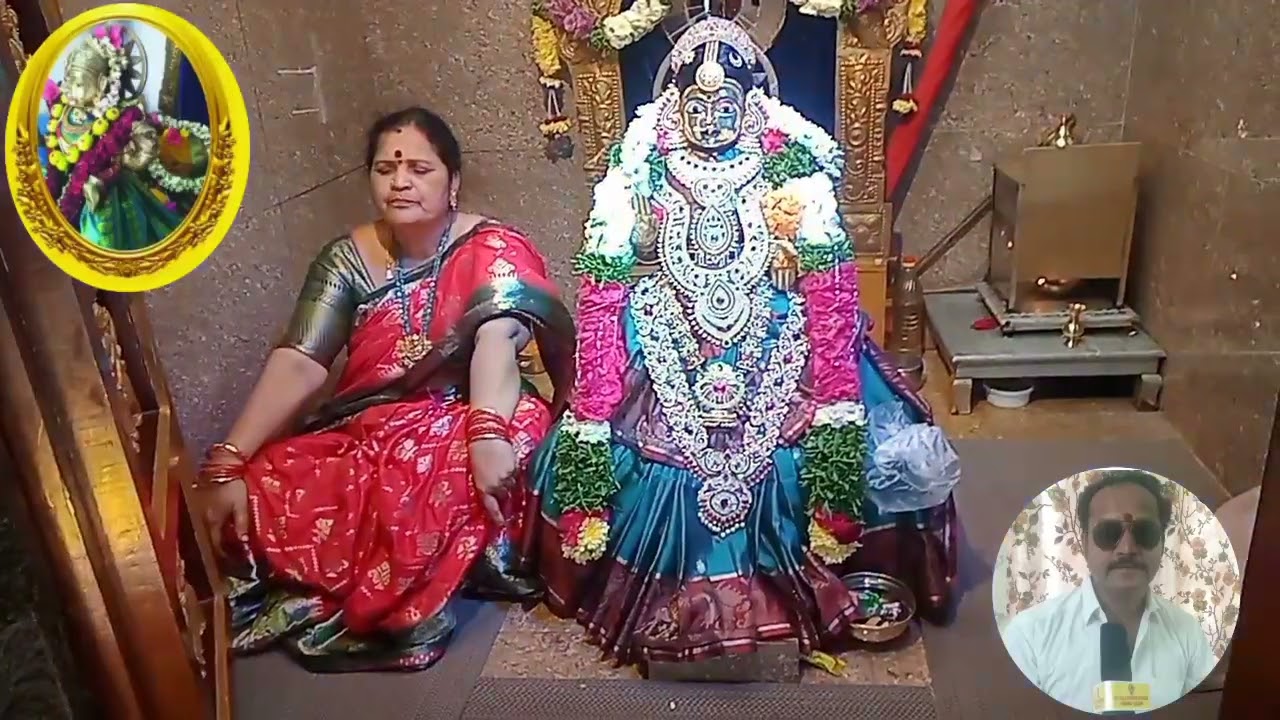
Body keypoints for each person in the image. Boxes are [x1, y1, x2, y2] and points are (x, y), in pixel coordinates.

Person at [524, 17, 960, 668]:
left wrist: (791, 250)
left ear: (750, 106)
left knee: (828, 417)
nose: (711, 118)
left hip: (770, 320)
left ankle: (825, 542)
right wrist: (642, 233)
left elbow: (821, 254)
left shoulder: (784, 160)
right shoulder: (648, 162)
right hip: (668, 319)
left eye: (725, 103)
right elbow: (617, 258)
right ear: (675, 106)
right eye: (696, 105)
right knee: (617, 424)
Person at [195, 107, 574, 672]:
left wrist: (486, 432)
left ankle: (419, 589)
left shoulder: (493, 246)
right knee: (270, 480)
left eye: (420, 168)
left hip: (472, 413)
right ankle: (399, 569)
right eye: (384, 169)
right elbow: (301, 361)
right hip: (370, 424)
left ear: (454, 182)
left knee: (487, 452)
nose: (400, 182)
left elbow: (499, 335)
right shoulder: (345, 258)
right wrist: (230, 458)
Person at [1001, 469, 1220, 713]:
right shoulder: (1030, 635)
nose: (1127, 548)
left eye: (1144, 532)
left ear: (1162, 543)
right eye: (1108, 533)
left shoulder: (1187, 632)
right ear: (1084, 544)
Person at [42, 23, 209, 251]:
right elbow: (58, 154)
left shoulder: (117, 119)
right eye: (69, 81)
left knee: (109, 240)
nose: (70, 89)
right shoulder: (63, 111)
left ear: (101, 84)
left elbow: (145, 142)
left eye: (79, 83)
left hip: (111, 201)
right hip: (70, 190)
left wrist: (122, 164)